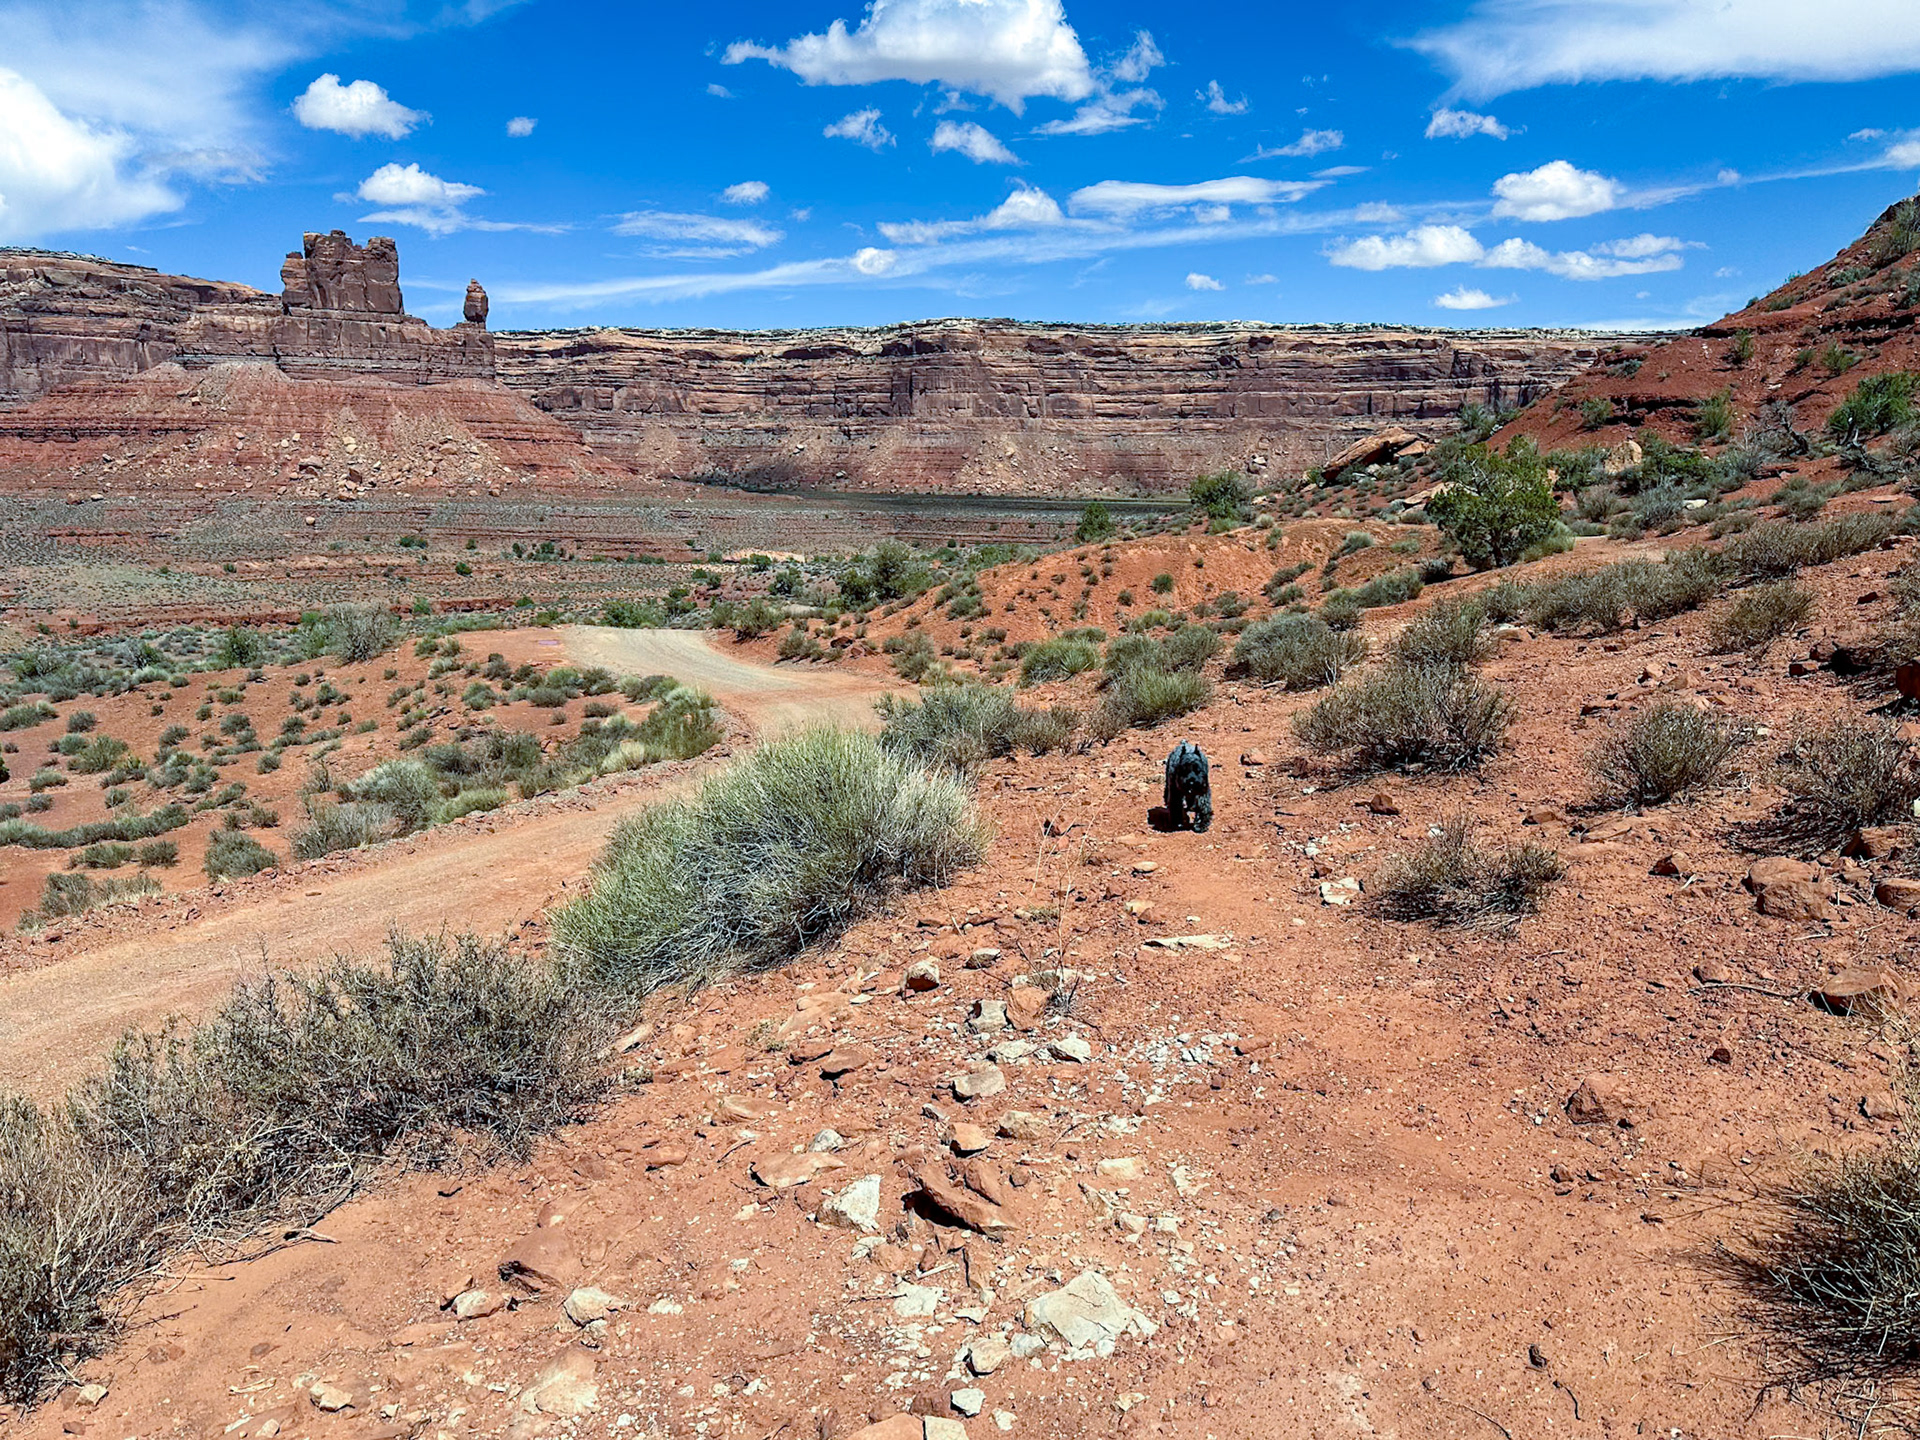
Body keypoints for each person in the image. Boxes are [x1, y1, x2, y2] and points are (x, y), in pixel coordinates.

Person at [1162, 741, 1212, 833]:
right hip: (1177, 767)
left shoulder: (1203, 761)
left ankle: (1201, 821)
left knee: (1202, 795)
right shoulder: (1175, 762)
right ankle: (1176, 819)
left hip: (1195, 767)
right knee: (1174, 791)